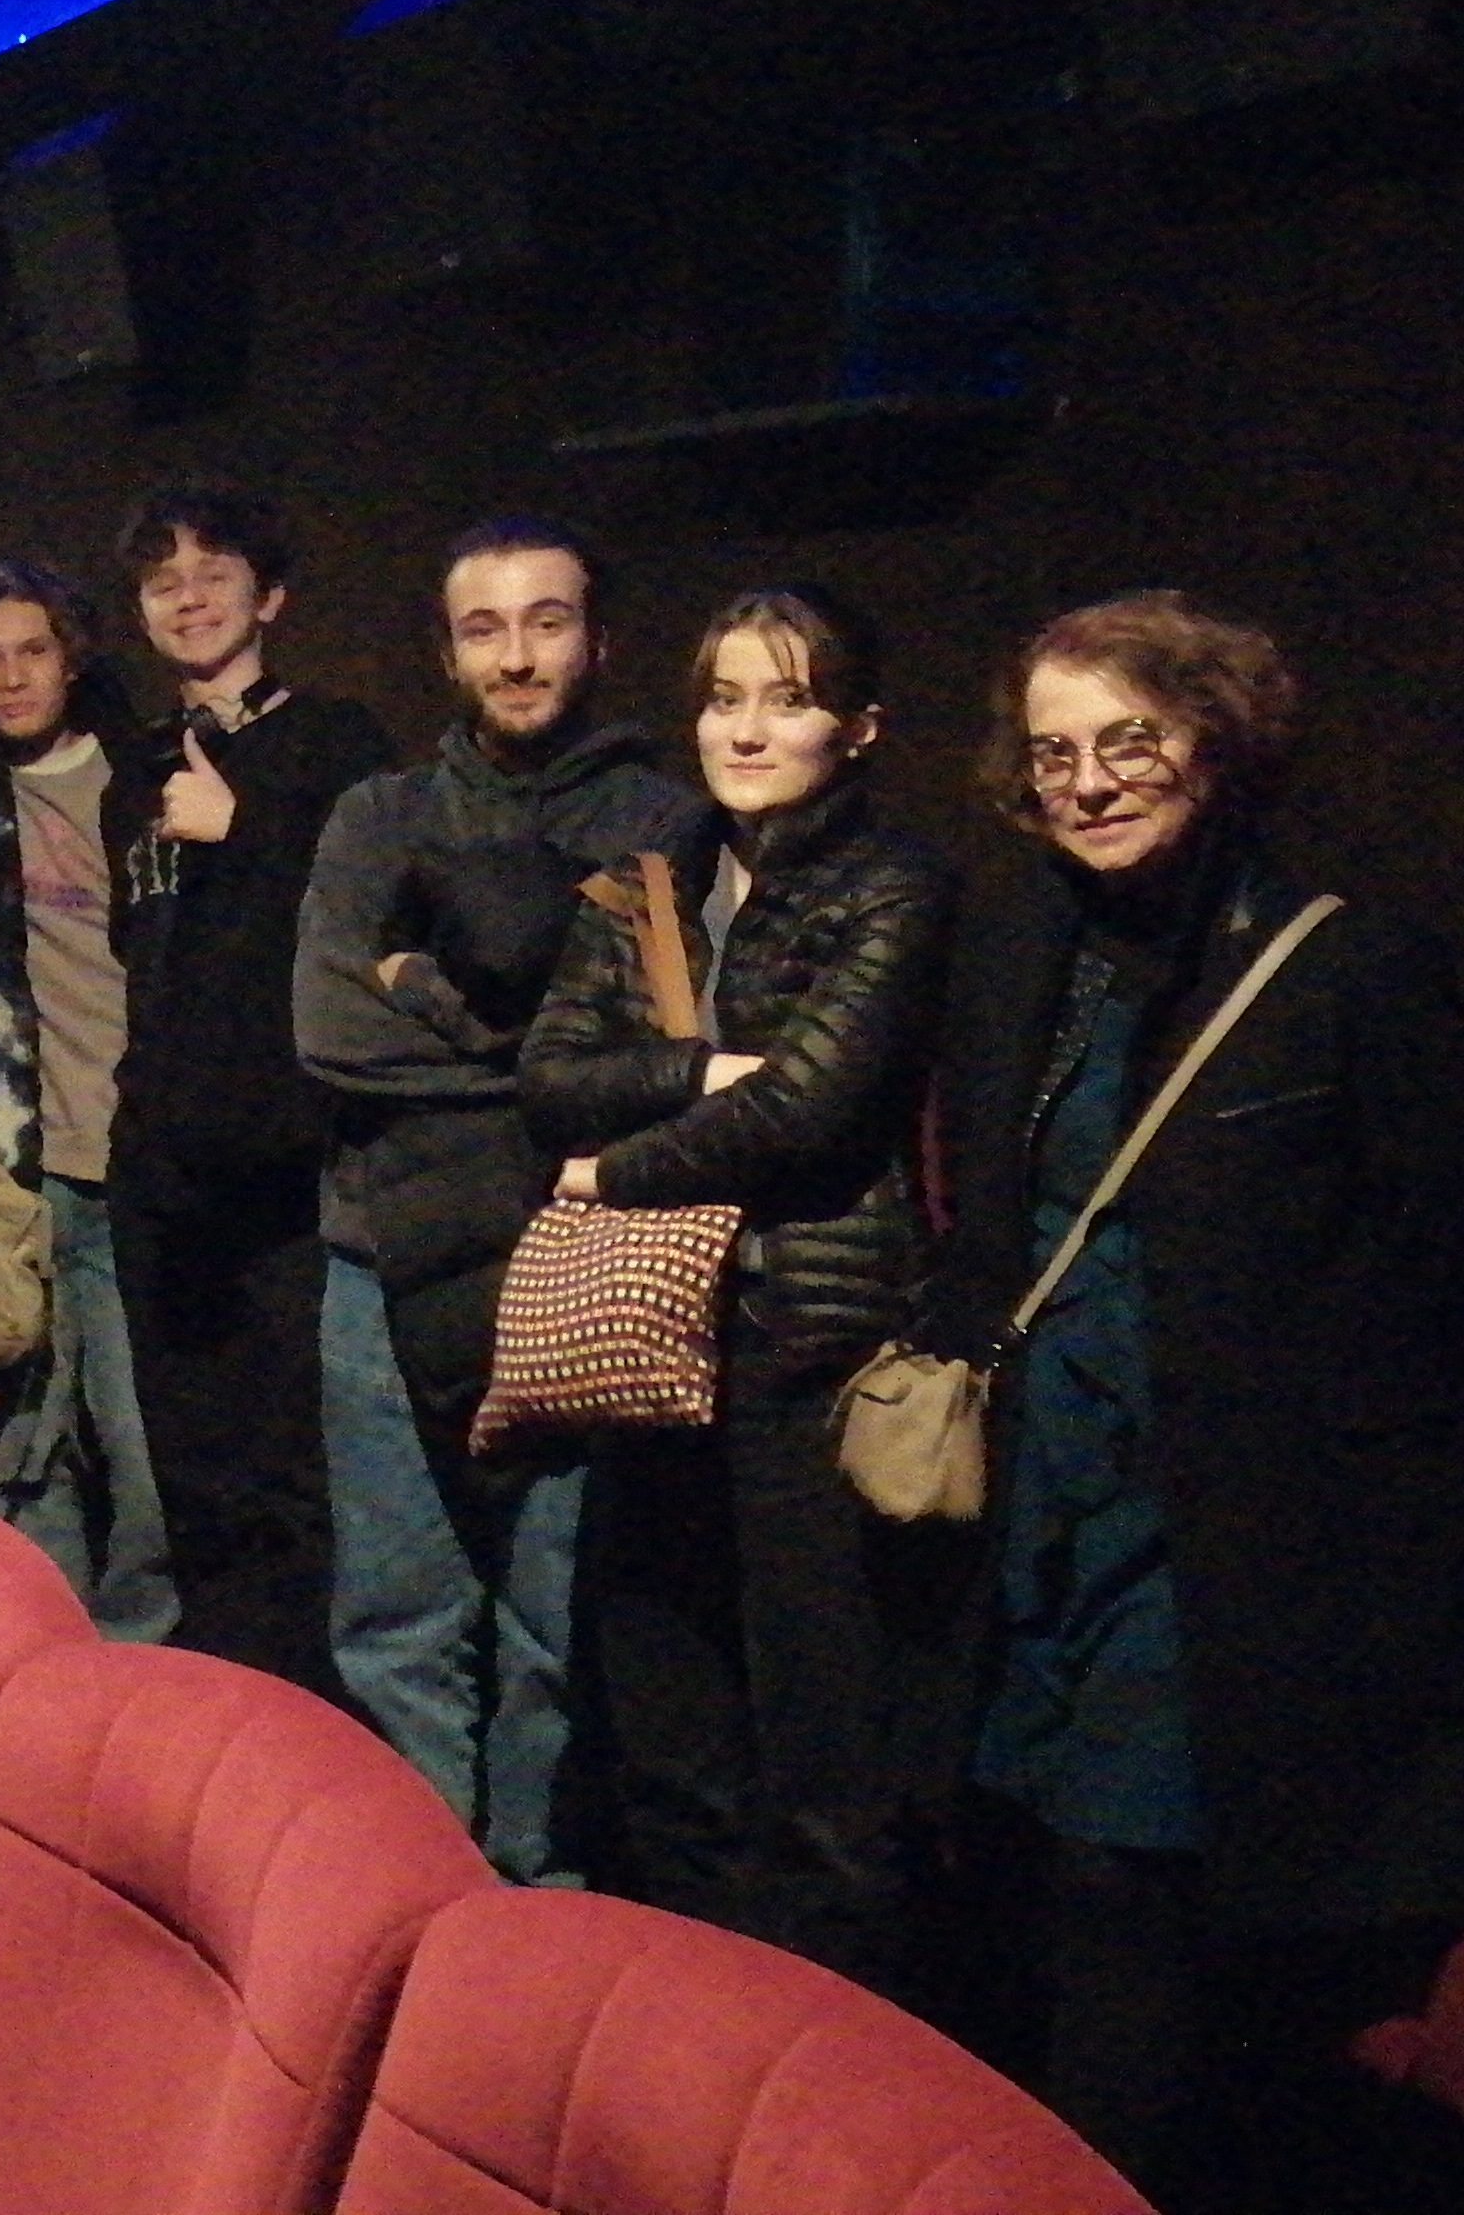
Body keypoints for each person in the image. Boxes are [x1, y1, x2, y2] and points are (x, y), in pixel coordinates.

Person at [913, 592, 1464, 2205]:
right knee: (1019, 1863)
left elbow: (1460, 1261)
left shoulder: (1351, 967)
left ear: (1218, 740)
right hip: (1039, 1496)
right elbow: (993, 1218)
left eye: (1129, 741)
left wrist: (1310, 1454)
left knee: (1129, 1878)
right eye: (1054, 752)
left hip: (1220, 1533)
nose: (1087, 782)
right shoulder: (1023, 947)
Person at [517, 586, 954, 1981]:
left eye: (787, 699)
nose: (746, 731)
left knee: (825, 1748)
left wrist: (610, 1171)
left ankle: (834, 2057)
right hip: (648, 1344)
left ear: (858, 727)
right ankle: (695, 2032)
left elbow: (811, 1109)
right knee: (668, 1730)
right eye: (722, 699)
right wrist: (705, 1069)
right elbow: (550, 1074)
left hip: (799, 1344)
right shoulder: (649, 875)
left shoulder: (895, 882)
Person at [294, 518, 700, 1885]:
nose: (517, 655)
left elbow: (658, 1051)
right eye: (485, 627)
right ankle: (413, 1912)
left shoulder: (656, 821)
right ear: (447, 653)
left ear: (599, 641)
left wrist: (423, 986)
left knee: (550, 1627)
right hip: (379, 1257)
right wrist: (535, 1048)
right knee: (394, 1619)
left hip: (569, 1259)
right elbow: (329, 1033)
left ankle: (533, 1907)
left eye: (546, 621)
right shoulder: (379, 815)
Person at [103, 481, 396, 1698]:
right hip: (160, 1170)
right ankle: (216, 1716)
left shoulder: (336, 746)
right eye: (162, 579)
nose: (186, 598)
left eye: (213, 574)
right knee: (191, 1473)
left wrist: (247, 828)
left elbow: (369, 924)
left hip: (286, 1172)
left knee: (295, 1475)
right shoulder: (135, 765)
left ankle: (298, 1723)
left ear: (268, 596)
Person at [0, 561, 172, 1637]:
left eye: (32, 651)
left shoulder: (146, 775)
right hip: (6, 1166)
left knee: (140, 1445)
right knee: (19, 1446)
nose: (12, 677)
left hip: (127, 1157)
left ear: (71, 657)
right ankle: (31, 1668)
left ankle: (134, 1659)